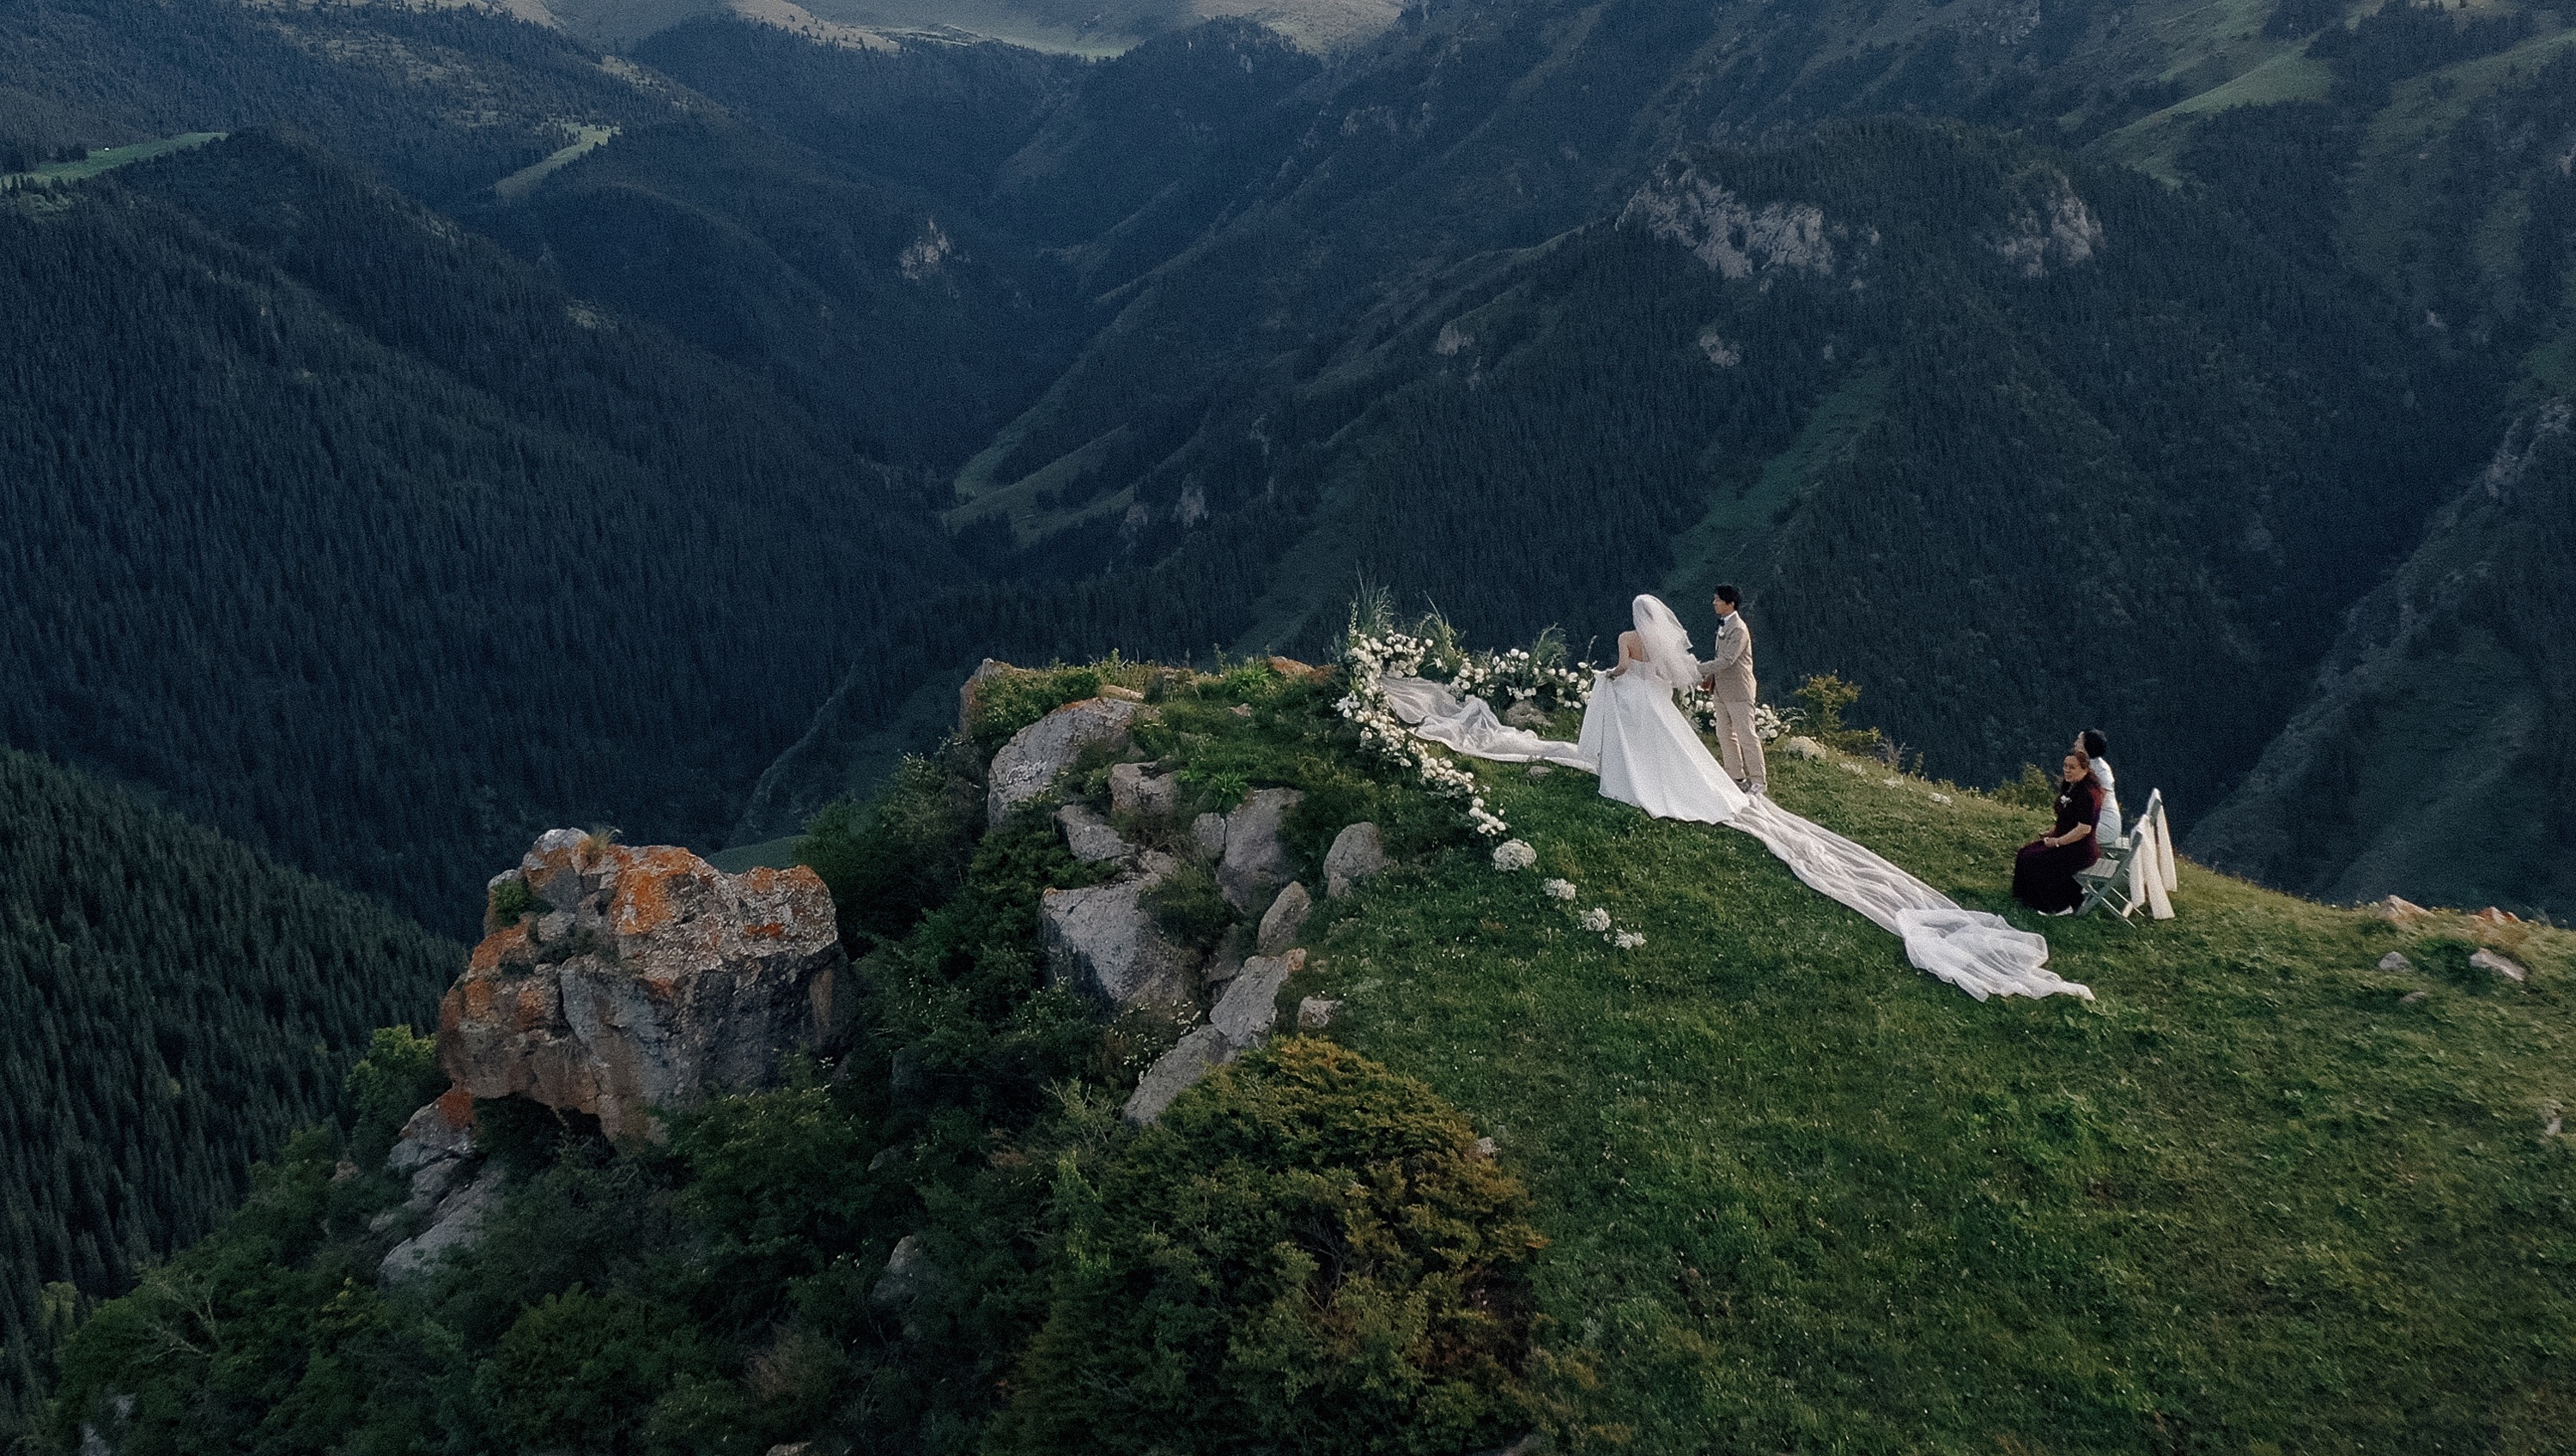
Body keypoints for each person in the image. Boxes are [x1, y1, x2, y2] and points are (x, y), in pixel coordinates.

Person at [1576, 595, 1748, 823]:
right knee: (1667, 736)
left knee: (1631, 735)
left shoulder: (1626, 637)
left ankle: (1631, 771)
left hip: (1632, 691)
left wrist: (1609, 674)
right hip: (1653, 692)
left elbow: (1623, 667)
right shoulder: (1657, 641)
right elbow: (1662, 671)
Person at [2012, 748, 2104, 914]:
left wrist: (2058, 842)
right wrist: (2050, 832)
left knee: (2035, 860)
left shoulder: (2088, 794)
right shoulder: (2072, 786)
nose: (2067, 770)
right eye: (2065, 766)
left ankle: (2056, 905)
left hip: (2079, 849)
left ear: (2085, 769)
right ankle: (2024, 898)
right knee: (2025, 853)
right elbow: (2066, 818)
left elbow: (2084, 829)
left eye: (2072, 767)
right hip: (2065, 840)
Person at [1698, 585, 1766, 796]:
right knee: (1724, 733)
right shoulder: (1725, 625)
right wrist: (1710, 677)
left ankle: (1758, 781)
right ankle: (1735, 775)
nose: (1714, 603)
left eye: (1718, 600)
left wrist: (1698, 669)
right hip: (1722, 690)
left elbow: (1728, 659)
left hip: (1739, 691)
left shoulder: (1738, 629)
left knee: (1746, 735)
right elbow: (1721, 658)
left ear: (1730, 604)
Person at [2076, 729, 2121, 846]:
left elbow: (2099, 798)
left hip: (2105, 825)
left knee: (2069, 833)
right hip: (2095, 821)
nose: (2075, 744)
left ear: (2087, 745)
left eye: (2079, 741)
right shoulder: (2087, 765)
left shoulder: (2102, 770)